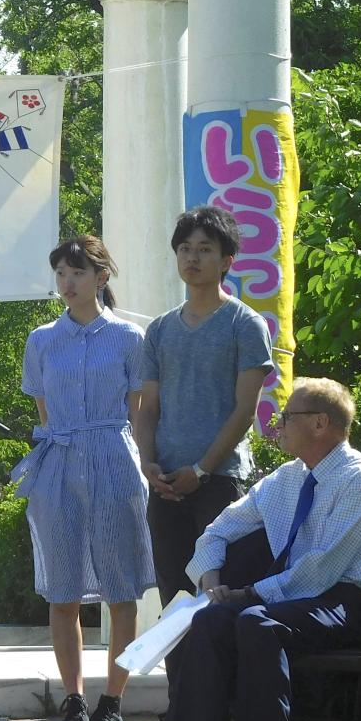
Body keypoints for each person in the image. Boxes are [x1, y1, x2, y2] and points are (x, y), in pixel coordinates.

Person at [145, 378, 361, 721]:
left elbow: (320, 569)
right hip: (288, 597)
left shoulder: (360, 479)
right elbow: (216, 530)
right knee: (212, 619)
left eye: (287, 417)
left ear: (319, 423)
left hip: (344, 602)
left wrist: (249, 594)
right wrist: (212, 584)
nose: (277, 424)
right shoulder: (286, 478)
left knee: (256, 622)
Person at [14, 236, 153, 721]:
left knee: (121, 587)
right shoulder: (41, 340)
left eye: (76, 272)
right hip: (58, 461)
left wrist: (144, 467)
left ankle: (113, 701)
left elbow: (138, 417)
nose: (67, 283)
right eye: (60, 274)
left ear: (101, 277)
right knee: (62, 588)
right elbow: (43, 412)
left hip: (114, 460)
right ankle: (72, 700)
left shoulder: (129, 338)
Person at [135, 206, 273, 613]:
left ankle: (221, 680)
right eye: (184, 249)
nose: (192, 258)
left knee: (219, 598)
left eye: (204, 249)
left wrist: (200, 471)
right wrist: (148, 465)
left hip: (219, 482)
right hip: (164, 485)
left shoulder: (245, 324)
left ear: (227, 260)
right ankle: (180, 680)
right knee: (173, 600)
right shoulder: (159, 329)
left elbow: (245, 410)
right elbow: (148, 409)